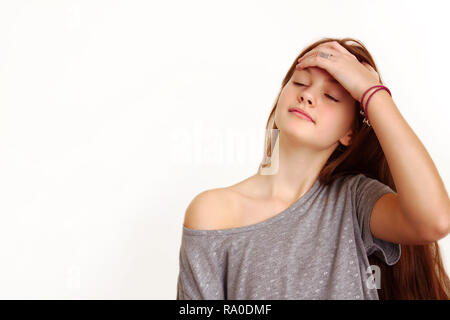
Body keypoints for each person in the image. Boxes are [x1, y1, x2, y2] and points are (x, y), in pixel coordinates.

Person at [176, 37, 450, 300]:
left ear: (350, 133)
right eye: (300, 82)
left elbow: (434, 220)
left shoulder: (354, 202)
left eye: (331, 96)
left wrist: (372, 93)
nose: (307, 95)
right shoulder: (212, 212)